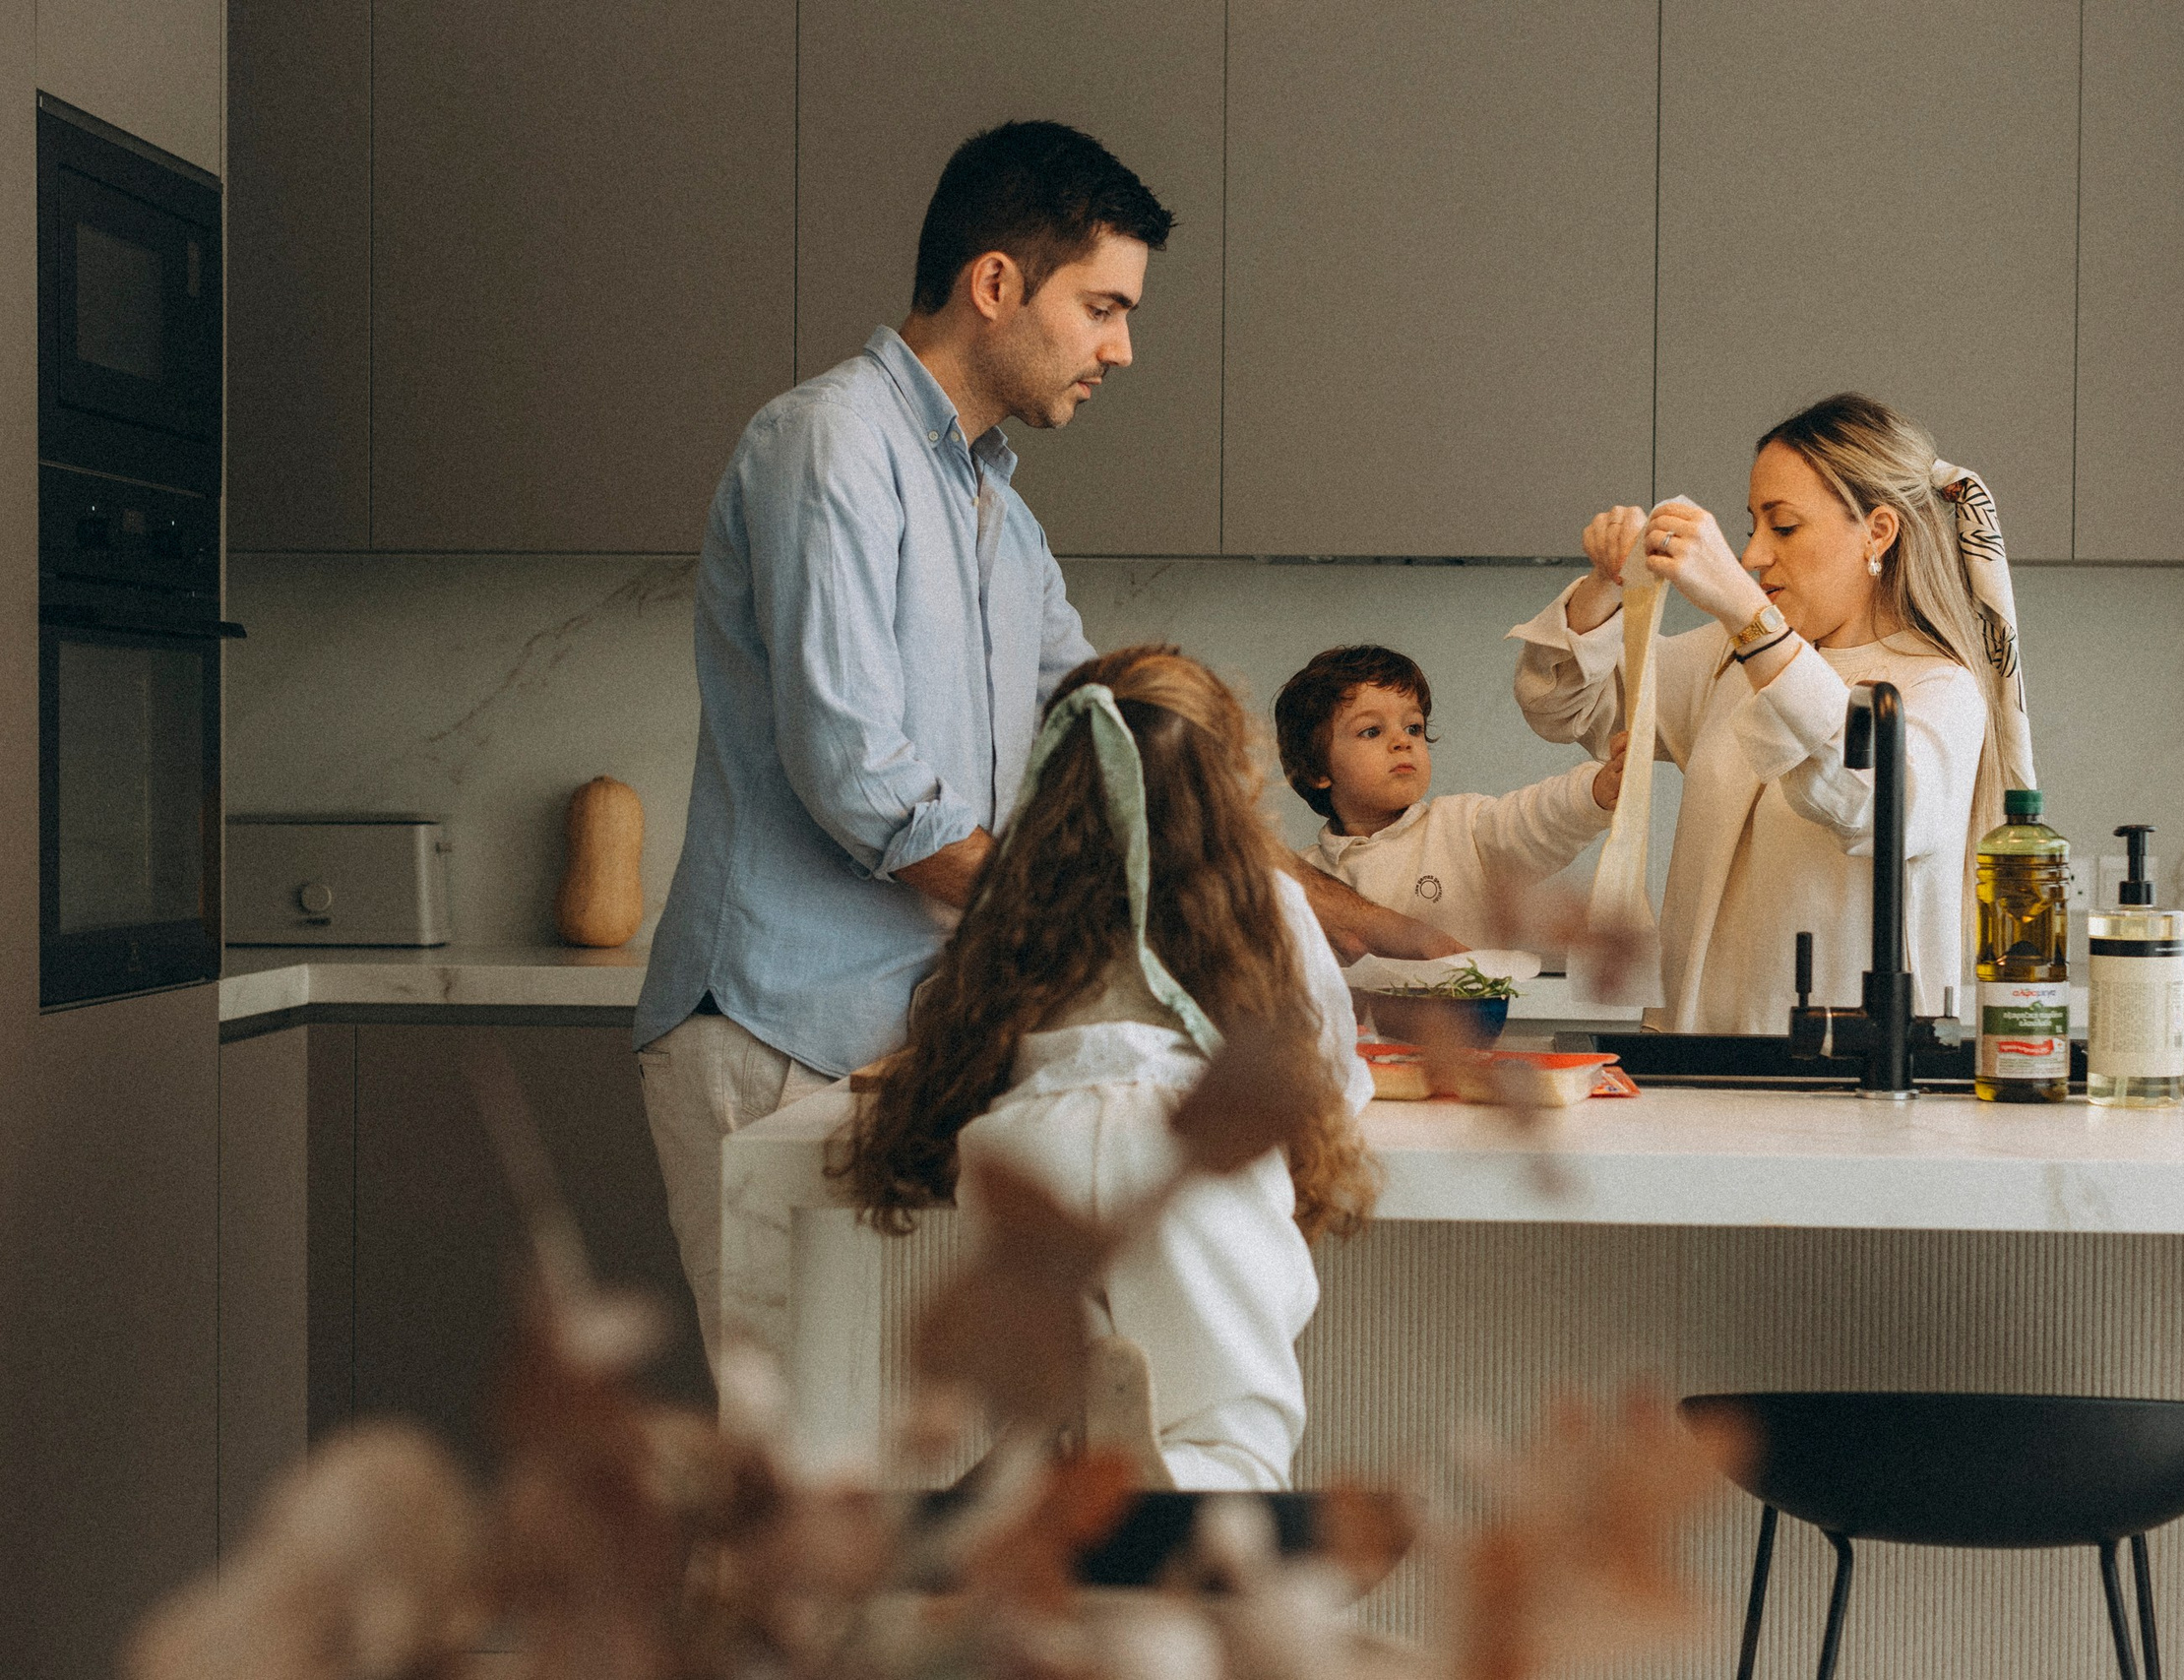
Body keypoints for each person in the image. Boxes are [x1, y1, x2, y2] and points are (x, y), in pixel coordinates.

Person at [634, 121, 1449, 1364]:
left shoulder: (997, 517)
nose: (1122, 348)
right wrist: (1118, 917)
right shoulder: (827, 444)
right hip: (779, 1033)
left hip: (910, 1048)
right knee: (800, 1447)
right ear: (996, 282)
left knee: (920, 1441)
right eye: (1102, 307)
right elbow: (858, 775)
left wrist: (1370, 926)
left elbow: (1133, 761)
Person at [837, 647, 1376, 1491]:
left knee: (1067, 1413)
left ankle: (1045, 1479)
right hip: (1184, 1164)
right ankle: (1174, 1500)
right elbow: (1324, 1072)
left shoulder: (1020, 897)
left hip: (1028, 1153)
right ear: (1227, 776)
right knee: (1230, 1438)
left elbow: (960, 1038)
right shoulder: (1261, 900)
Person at [1512, 392, 2035, 1035]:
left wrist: (1746, 612)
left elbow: (1866, 798)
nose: (1754, 555)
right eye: (1752, 525)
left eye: (1782, 526)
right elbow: (1568, 704)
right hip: (1692, 1057)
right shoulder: (1727, 660)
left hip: (1842, 1071)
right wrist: (1606, 583)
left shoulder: (1939, 688)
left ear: (1878, 532)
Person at [1275, 645, 1629, 951]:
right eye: (1371, 731)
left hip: (1466, 1011)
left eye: (1413, 727)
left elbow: (1534, 819)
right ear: (1316, 770)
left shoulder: (1462, 828)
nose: (1402, 741)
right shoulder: (1302, 877)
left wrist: (1594, 791)